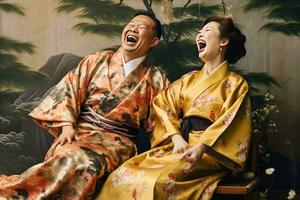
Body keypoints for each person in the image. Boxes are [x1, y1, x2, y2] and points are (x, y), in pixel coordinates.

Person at [0, 11, 168, 200]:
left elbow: (162, 120)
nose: (133, 28)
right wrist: (66, 127)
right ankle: (19, 193)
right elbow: (69, 91)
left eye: (142, 27)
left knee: (87, 162)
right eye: (131, 24)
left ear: (153, 41)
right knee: (66, 153)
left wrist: (171, 146)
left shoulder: (157, 80)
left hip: (117, 143)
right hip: (80, 131)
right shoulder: (96, 60)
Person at [97, 16, 252, 200]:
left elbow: (230, 121)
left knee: (157, 181)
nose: (199, 36)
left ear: (223, 41)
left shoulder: (235, 84)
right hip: (179, 147)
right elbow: (162, 105)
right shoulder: (189, 79)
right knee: (122, 175)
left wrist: (201, 147)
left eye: (207, 31)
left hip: (209, 154)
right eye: (199, 33)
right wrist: (177, 138)